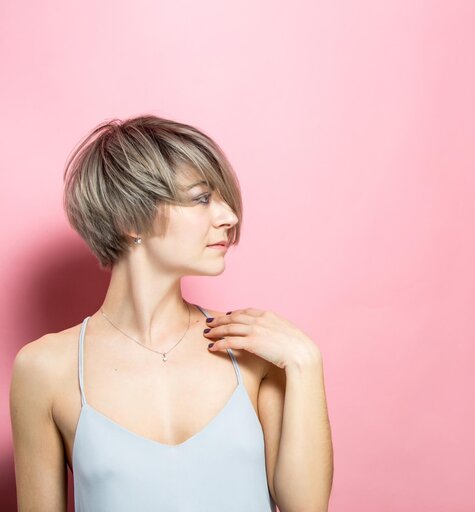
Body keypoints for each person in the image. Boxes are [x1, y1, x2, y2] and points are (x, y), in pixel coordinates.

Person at [10, 115, 333, 511]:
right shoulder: (44, 370)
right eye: (201, 198)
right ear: (130, 218)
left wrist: (305, 362)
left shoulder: (249, 348)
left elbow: (307, 507)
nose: (229, 217)